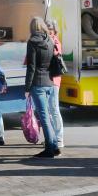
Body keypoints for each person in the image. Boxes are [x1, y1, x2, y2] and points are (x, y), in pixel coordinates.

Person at [25, 17, 58, 158]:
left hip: (38, 83)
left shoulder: (32, 42)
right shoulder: (50, 40)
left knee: (44, 117)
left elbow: (31, 67)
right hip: (49, 82)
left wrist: (27, 88)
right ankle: (55, 146)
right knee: (48, 116)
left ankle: (50, 148)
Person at [46, 19, 65, 149]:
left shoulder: (55, 41)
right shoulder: (48, 41)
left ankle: (59, 139)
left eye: (50, 30)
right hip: (47, 80)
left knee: (54, 109)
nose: (48, 32)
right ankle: (53, 137)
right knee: (49, 110)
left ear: (54, 31)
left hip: (54, 80)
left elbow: (55, 52)